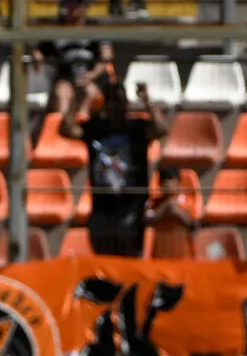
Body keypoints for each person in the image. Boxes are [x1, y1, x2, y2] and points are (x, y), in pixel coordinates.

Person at [59, 81, 167, 257]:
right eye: (113, 100)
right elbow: (66, 129)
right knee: (104, 260)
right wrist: (78, 101)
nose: (117, 105)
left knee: (130, 261)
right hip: (102, 208)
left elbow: (161, 128)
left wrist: (147, 101)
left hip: (131, 208)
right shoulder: (96, 128)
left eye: (121, 100)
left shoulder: (136, 127)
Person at [35, 0, 115, 117]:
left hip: (91, 77)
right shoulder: (57, 28)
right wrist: (37, 57)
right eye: (70, 4)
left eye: (77, 4)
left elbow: (107, 56)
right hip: (66, 77)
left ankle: (81, 126)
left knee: (90, 93)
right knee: (62, 92)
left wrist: (92, 75)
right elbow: (40, 50)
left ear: (85, 8)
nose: (73, 8)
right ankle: (63, 127)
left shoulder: (95, 28)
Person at [143, 167, 196, 260]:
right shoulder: (153, 203)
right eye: (163, 182)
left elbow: (193, 224)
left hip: (184, 257)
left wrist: (176, 211)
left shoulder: (188, 201)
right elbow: (146, 221)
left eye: (170, 181)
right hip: (158, 257)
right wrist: (165, 208)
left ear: (179, 183)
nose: (166, 185)